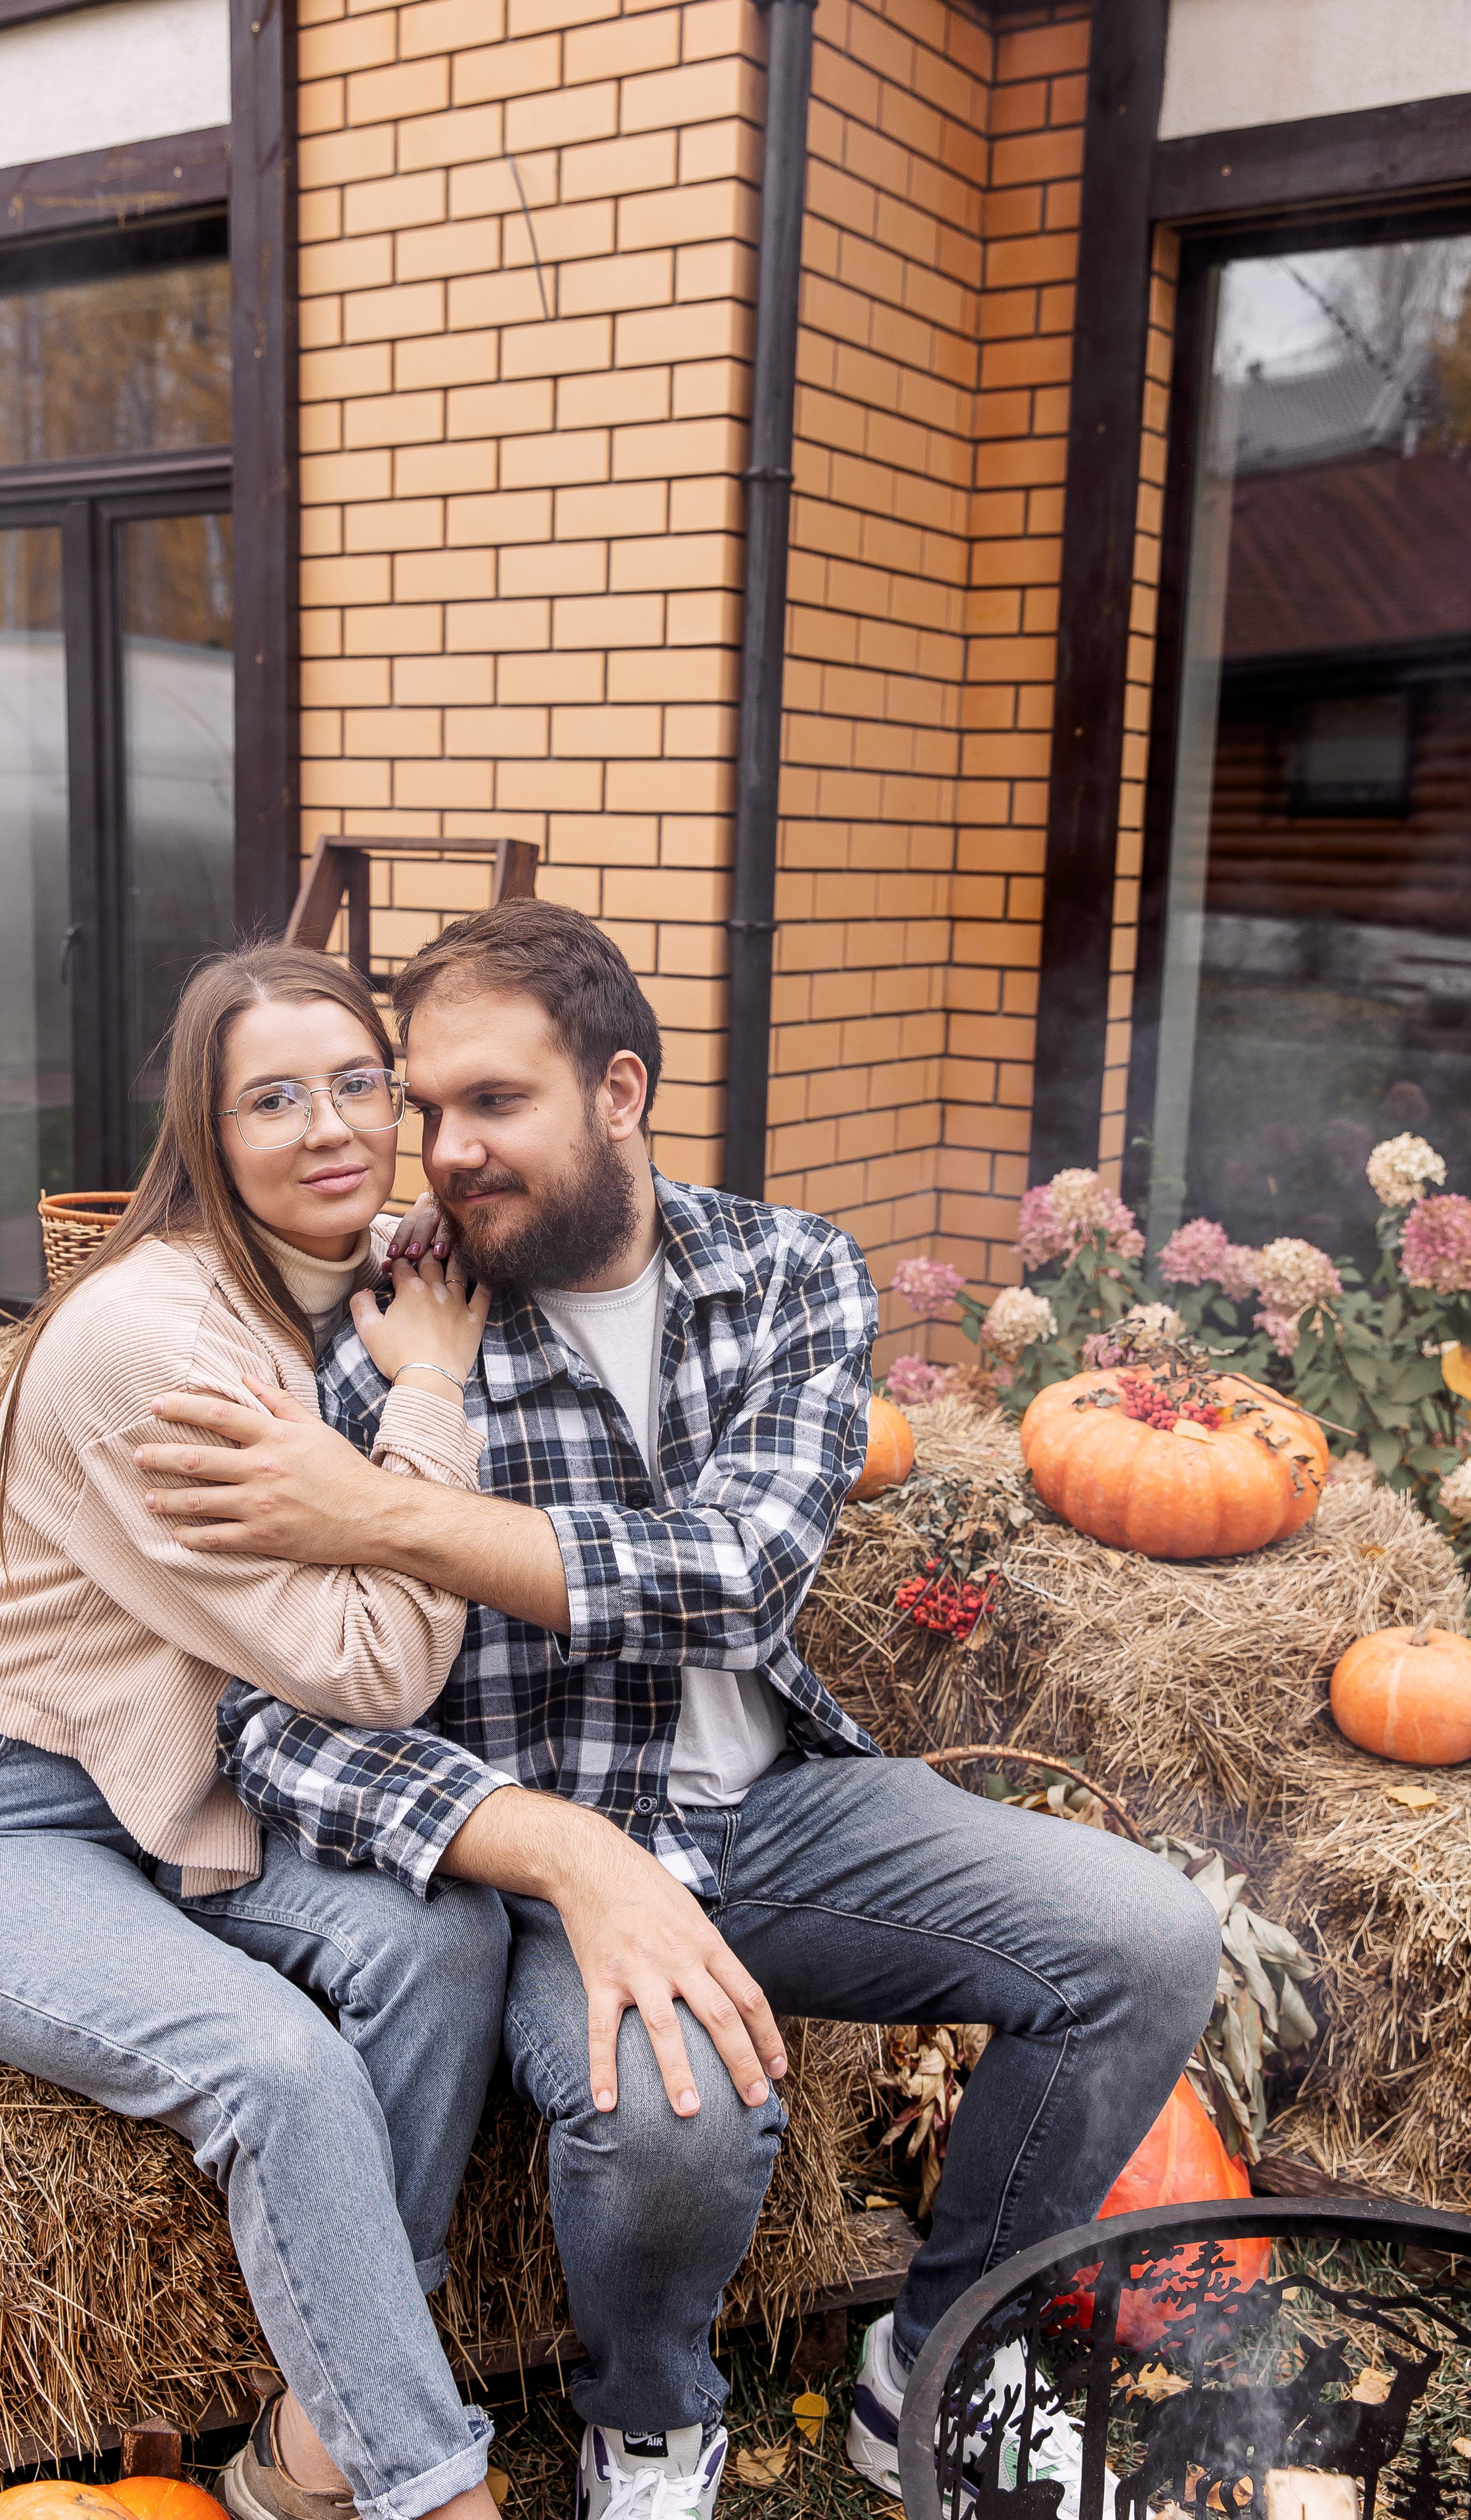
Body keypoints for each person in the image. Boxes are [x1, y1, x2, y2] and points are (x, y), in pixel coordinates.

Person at [131, 903, 1224, 2520]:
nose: (440, 1154)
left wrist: (374, 1517)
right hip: (532, 1848)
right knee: (680, 2125)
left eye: (492, 1104)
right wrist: (543, 1849)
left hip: (776, 1808)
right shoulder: (368, 1331)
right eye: (422, 1107)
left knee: (1145, 1941)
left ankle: (927, 2368)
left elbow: (734, 1584)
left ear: (621, 1091)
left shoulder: (786, 1273)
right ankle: (647, 2419)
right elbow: (260, 1718)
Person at [0, 944, 515, 2520]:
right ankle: (431, 2489)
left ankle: (317, 2431)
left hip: (191, 1795)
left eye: (358, 1081)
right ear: (205, 1136)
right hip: (0, 1818)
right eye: (270, 1100)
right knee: (276, 2069)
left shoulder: (339, 1280)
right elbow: (371, 1669)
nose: (330, 1127)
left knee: (444, 1941)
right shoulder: (153, 1342)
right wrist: (430, 1399)